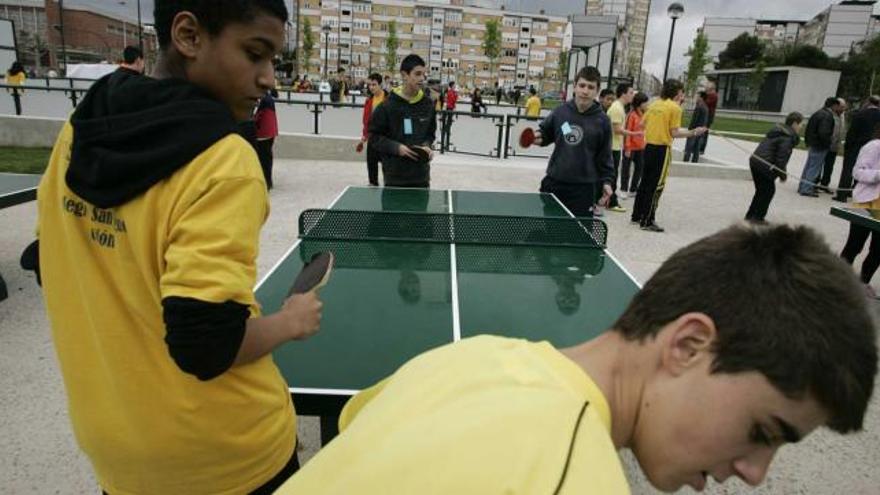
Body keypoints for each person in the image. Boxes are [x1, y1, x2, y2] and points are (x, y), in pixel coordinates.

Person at [277, 222, 878, 495]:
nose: (756, 472)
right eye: (762, 431)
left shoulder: (464, 359)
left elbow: (353, 430)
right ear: (689, 345)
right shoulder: (575, 479)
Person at [29, 2, 323, 493]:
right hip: (228, 455)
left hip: (118, 450)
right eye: (255, 53)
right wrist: (288, 322)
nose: (269, 77)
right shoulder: (225, 161)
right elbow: (206, 346)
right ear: (188, 35)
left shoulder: (79, 131)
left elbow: (48, 258)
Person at [531, 66, 614, 217]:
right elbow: (545, 134)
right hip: (555, 183)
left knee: (578, 237)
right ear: (574, 86)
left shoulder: (603, 121)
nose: (585, 91)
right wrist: (533, 137)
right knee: (551, 233)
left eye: (590, 87)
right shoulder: (561, 112)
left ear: (597, 91)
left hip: (584, 189)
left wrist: (607, 182)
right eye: (582, 85)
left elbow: (605, 156)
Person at [631, 79, 706, 232]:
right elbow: (674, 132)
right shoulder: (675, 108)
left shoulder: (654, 104)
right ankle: (647, 220)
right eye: (682, 91)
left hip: (649, 147)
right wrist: (693, 132)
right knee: (657, 185)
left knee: (645, 182)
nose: (683, 94)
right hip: (662, 150)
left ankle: (637, 215)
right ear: (678, 92)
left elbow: (642, 125)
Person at [368, 54, 436, 188]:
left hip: (421, 179)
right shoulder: (386, 106)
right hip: (394, 180)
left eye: (424, 74)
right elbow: (374, 137)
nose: (422, 78)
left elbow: (430, 134)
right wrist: (396, 148)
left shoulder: (428, 105)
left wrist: (427, 146)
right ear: (404, 75)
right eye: (417, 74)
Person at [840, 122, 880, 296]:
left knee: (878, 250)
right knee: (854, 245)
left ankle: (863, 282)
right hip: (866, 201)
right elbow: (857, 172)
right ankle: (838, 278)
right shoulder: (873, 146)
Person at [744, 112, 803, 223]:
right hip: (764, 165)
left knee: (761, 191)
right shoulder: (787, 137)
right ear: (794, 123)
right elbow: (780, 159)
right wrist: (783, 175)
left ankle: (751, 216)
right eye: (800, 124)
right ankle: (757, 219)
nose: (801, 127)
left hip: (756, 162)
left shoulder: (779, 131)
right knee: (768, 192)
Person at [835, 95, 880, 202]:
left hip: (856, 146)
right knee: (868, 169)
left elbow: (852, 132)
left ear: (868, 102)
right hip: (873, 145)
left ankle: (842, 194)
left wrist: (848, 146)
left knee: (848, 170)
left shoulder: (860, 114)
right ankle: (855, 190)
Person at [798, 97, 841, 197]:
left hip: (813, 143)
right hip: (820, 145)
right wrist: (828, 143)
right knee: (814, 168)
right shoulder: (827, 116)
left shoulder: (818, 113)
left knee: (809, 166)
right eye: (837, 106)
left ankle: (802, 186)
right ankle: (806, 188)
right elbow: (823, 132)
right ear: (834, 105)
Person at [606, 83, 639, 209]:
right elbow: (617, 130)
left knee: (613, 175)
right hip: (611, 147)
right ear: (623, 94)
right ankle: (610, 201)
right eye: (631, 93)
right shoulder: (616, 108)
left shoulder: (620, 107)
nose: (633, 95)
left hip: (615, 146)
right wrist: (634, 133)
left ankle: (610, 200)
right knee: (611, 175)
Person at [360, 72, 387, 186]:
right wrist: (364, 135)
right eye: (369, 85)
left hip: (386, 137)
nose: (371, 87)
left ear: (380, 85)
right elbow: (366, 120)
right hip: (373, 135)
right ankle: (373, 183)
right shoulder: (369, 100)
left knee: (387, 163)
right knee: (371, 161)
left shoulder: (389, 99)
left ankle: (389, 184)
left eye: (374, 84)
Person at [621, 91, 648, 198]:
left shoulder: (644, 115)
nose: (647, 104)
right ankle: (623, 189)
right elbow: (627, 131)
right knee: (626, 169)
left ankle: (633, 189)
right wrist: (627, 147)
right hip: (630, 147)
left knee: (639, 169)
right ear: (640, 103)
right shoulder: (631, 115)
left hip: (641, 147)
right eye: (645, 102)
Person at [818, 98, 847, 194]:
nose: (843, 109)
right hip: (826, 144)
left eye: (844, 107)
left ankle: (824, 184)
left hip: (835, 146)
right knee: (819, 164)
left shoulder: (842, 116)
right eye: (842, 107)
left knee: (829, 166)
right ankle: (814, 183)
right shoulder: (829, 115)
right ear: (837, 106)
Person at [254, 88, 279, 189]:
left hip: (263, 133)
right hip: (270, 132)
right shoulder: (268, 99)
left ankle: (266, 182)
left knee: (263, 158)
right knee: (267, 157)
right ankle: (268, 181)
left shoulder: (263, 100)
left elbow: (259, 116)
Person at [683, 91, 709, 163]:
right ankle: (694, 162)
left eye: (698, 96)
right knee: (697, 149)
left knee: (689, 148)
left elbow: (694, 119)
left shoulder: (699, 107)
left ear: (701, 98)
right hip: (701, 131)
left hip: (694, 130)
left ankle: (685, 161)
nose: (696, 98)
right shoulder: (706, 107)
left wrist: (690, 129)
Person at [699, 80, 718, 155]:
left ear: (712, 87)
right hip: (704, 116)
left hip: (708, 117)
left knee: (704, 133)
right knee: (700, 131)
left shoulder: (714, 95)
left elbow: (705, 102)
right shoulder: (707, 94)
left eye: (708, 85)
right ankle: (697, 147)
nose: (706, 86)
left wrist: (702, 97)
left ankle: (701, 149)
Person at [442, 80, 458, 147]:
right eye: (454, 85)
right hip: (449, 107)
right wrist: (455, 95)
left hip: (450, 107)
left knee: (449, 121)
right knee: (448, 121)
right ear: (452, 86)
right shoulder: (451, 92)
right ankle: (446, 130)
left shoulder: (452, 92)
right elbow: (452, 100)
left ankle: (447, 129)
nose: (455, 86)